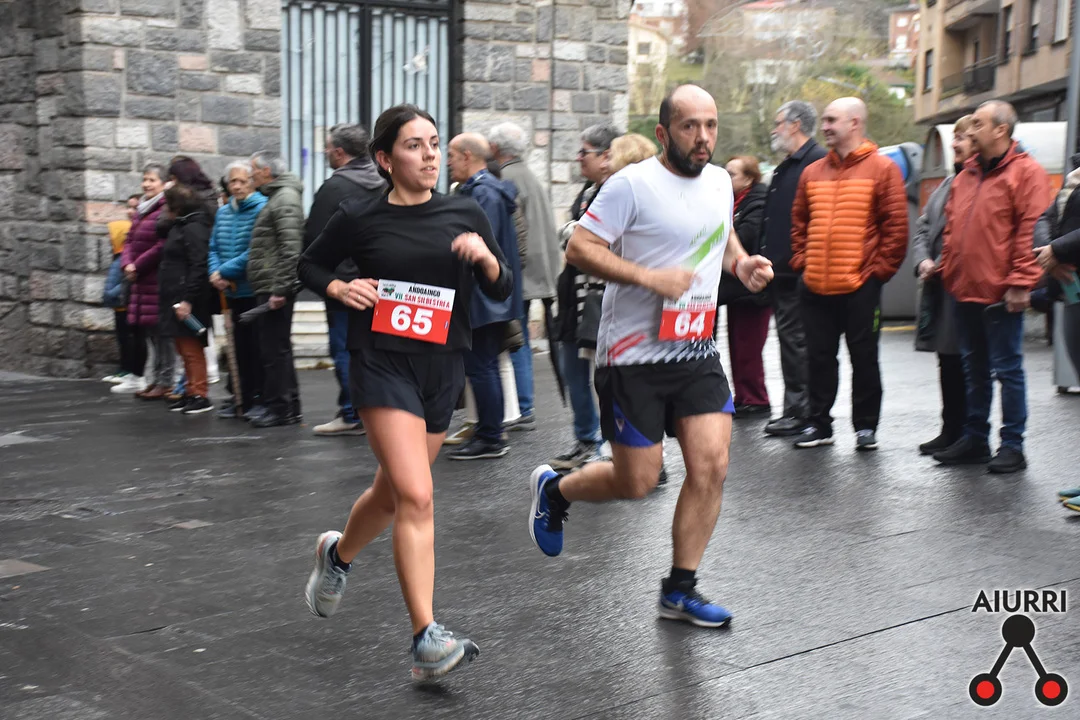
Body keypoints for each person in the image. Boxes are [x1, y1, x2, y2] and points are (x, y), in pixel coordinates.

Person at [528, 85, 774, 628]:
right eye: (690, 126)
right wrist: (648, 278)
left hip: (695, 348)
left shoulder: (719, 182)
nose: (703, 137)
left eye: (710, 125)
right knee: (636, 481)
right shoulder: (630, 185)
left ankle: (680, 589)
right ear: (664, 133)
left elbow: (722, 234)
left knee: (711, 466)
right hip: (632, 356)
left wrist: (740, 264)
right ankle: (557, 489)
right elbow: (580, 248)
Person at [297, 103, 512, 679]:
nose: (430, 156)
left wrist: (485, 259)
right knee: (417, 494)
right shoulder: (359, 215)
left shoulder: (464, 211)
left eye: (435, 144)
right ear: (385, 159)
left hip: (442, 368)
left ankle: (337, 554)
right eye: (415, 146)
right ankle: (426, 637)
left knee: (391, 495)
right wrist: (340, 288)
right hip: (382, 364)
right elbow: (309, 266)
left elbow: (503, 284)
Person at [935, 100, 1052, 473]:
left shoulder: (1027, 173)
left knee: (1007, 369)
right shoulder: (966, 175)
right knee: (974, 369)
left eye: (978, 124)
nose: (970, 131)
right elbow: (952, 229)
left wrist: (1020, 283)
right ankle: (975, 439)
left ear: (1001, 130)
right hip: (963, 287)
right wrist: (949, 271)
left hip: (1001, 293)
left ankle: (1012, 445)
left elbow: (1031, 232)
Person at [789, 97, 909, 451]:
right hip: (815, 285)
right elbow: (798, 224)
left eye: (831, 120)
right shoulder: (812, 172)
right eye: (825, 120)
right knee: (818, 359)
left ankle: (866, 427)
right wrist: (802, 264)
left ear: (854, 123)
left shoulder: (883, 169)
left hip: (860, 286)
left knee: (864, 358)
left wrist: (877, 274)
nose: (824, 127)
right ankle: (818, 424)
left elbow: (896, 229)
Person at [446, 132, 525, 460]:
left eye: (451, 155)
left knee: (482, 367)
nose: (447, 162)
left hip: (483, 296)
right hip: (489, 295)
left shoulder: (484, 194)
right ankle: (488, 432)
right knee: (483, 366)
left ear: (467, 156)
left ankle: (491, 437)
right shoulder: (487, 190)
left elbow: (479, 247)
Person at [306, 124, 388, 437]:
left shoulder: (334, 188)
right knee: (377, 351)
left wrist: (327, 281)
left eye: (328, 148)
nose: (325, 152)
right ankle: (375, 410)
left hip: (345, 286)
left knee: (344, 349)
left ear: (339, 152)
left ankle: (352, 412)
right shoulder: (385, 181)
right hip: (381, 282)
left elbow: (314, 242)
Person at [548, 122, 621, 471]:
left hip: (599, 297)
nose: (578, 158)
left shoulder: (616, 192)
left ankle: (612, 445)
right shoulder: (588, 191)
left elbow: (591, 241)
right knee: (573, 370)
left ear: (607, 156)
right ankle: (586, 439)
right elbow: (575, 238)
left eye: (584, 152)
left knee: (606, 376)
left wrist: (575, 234)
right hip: (573, 296)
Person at [488, 121, 562, 431]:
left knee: (515, 338)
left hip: (521, 272)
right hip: (541, 270)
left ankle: (522, 405)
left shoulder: (506, 179)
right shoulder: (530, 176)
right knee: (522, 338)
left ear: (495, 148)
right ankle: (523, 404)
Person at [760, 100, 827, 437]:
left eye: (778, 123)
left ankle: (800, 412)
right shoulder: (789, 165)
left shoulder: (815, 163)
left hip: (798, 272)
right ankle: (796, 409)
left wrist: (800, 262)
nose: (774, 130)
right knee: (791, 341)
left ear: (795, 124)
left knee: (797, 342)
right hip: (782, 271)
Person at [911, 115, 975, 455]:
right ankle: (951, 429)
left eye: (961, 138)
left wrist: (941, 262)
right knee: (947, 361)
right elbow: (923, 227)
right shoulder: (948, 184)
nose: (954, 144)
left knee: (967, 364)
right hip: (941, 285)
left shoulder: (978, 183)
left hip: (963, 285)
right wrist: (923, 260)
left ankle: (968, 434)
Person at [248, 151, 305, 428]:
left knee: (275, 350)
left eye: (254, 170)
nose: (251, 175)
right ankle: (287, 406)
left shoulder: (284, 199)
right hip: (271, 283)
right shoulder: (279, 197)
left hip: (275, 285)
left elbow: (291, 249)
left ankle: (280, 408)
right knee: (276, 348)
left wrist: (281, 288)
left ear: (267, 171)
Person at [209, 161, 268, 419]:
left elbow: (255, 250)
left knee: (254, 348)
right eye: (233, 181)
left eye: (243, 181)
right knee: (238, 348)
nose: (237, 186)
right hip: (229, 291)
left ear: (253, 183)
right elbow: (213, 247)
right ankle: (240, 396)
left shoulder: (262, 209)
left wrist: (224, 271)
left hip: (252, 289)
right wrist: (215, 273)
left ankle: (257, 397)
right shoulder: (223, 212)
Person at [115, 163, 175, 398]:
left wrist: (137, 265)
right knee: (150, 332)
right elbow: (129, 240)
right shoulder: (142, 209)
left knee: (163, 334)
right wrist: (127, 264)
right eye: (145, 179)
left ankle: (166, 380)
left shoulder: (165, 209)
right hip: (140, 280)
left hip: (155, 278)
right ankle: (156, 379)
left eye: (152, 180)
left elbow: (161, 245)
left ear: (163, 183)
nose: (146, 184)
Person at [719, 155, 770, 418]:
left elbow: (746, 236)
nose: (726, 178)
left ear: (749, 179)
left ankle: (756, 398)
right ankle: (744, 396)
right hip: (737, 288)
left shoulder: (757, 202)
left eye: (732, 174)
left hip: (754, 288)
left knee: (749, 346)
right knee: (738, 345)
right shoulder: (736, 202)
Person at [158, 182, 214, 414]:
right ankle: (190, 390)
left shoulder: (193, 228)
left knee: (191, 348)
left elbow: (198, 264)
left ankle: (199, 392)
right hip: (176, 294)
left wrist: (188, 299)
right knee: (183, 347)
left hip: (188, 297)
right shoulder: (182, 226)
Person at [102, 194, 142, 385]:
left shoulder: (126, 255)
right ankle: (125, 368)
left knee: (129, 338)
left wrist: (111, 294)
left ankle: (130, 370)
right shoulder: (119, 257)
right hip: (120, 302)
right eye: (129, 207)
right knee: (123, 337)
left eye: (135, 207)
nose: (130, 211)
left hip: (125, 301)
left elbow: (125, 280)